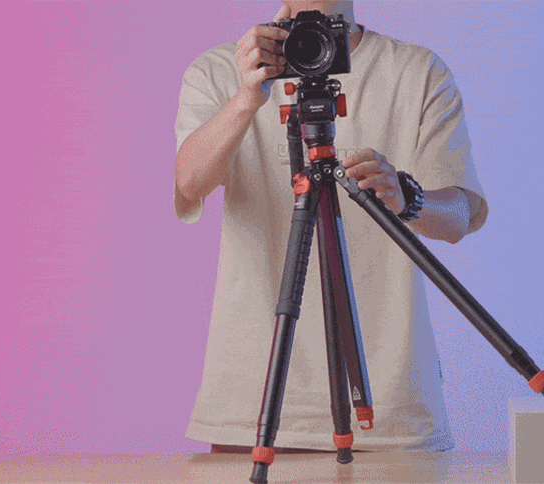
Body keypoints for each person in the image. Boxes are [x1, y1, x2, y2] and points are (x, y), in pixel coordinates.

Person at [174, 0, 488, 453]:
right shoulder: (224, 69)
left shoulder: (417, 71)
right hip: (251, 407)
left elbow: (459, 217)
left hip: (393, 407)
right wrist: (246, 98)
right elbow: (190, 182)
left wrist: (407, 198)